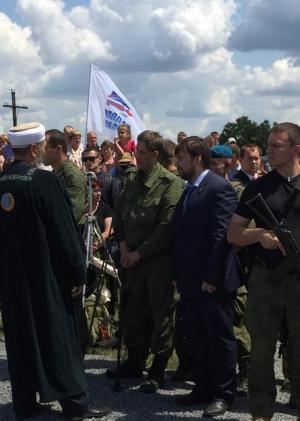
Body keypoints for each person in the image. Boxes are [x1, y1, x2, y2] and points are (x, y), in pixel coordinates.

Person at [0, 122, 110, 421]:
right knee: (58, 339)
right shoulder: (43, 182)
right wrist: (78, 272)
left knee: (20, 338)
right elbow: (64, 233)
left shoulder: (2, 180)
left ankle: (25, 401)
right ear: (35, 149)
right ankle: (74, 404)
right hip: (46, 276)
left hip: (11, 279)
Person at [227, 122, 300, 421]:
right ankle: (261, 413)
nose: (269, 150)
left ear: (296, 149)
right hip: (266, 279)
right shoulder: (258, 188)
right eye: (268, 145)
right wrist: (260, 236)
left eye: (276, 146)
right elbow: (233, 234)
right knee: (261, 351)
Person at [107, 130, 183, 393]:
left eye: (140, 152)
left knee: (161, 314)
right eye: (136, 151)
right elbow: (119, 213)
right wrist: (126, 248)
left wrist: (138, 254)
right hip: (131, 257)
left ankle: (158, 369)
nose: (135, 156)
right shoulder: (131, 179)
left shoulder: (170, 183)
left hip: (157, 261)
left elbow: (166, 227)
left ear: (155, 154)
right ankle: (134, 360)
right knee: (131, 310)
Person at [174, 137, 239, 417]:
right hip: (190, 280)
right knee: (197, 337)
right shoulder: (190, 189)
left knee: (219, 338)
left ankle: (224, 393)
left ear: (198, 157)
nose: (178, 163)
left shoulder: (219, 188)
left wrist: (211, 276)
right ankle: (203, 386)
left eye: (182, 158)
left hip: (212, 281)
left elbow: (221, 238)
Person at [210, 144, 251, 395]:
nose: (214, 166)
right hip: (212, 265)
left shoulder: (239, 191)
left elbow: (245, 230)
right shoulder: (206, 189)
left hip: (236, 265)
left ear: (229, 163)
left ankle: (246, 371)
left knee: (237, 325)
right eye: (211, 161)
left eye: (218, 162)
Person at [44, 130, 87, 225]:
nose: (42, 152)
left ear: (58, 149)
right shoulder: (55, 173)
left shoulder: (72, 176)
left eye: (45, 148)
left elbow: (74, 214)